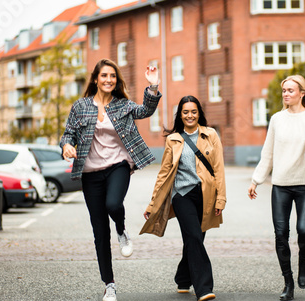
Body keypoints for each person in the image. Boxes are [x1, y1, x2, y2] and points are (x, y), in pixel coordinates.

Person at [60, 58, 161, 301]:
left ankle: (121, 229)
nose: (108, 80)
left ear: (116, 81)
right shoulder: (80, 106)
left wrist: (153, 87)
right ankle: (109, 284)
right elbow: (68, 133)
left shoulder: (122, 105)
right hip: (90, 173)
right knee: (99, 232)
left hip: (118, 165)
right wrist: (66, 146)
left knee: (113, 205)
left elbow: (145, 110)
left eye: (112, 76)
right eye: (104, 75)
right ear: (96, 79)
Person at [248, 75, 305, 301]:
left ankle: (303, 258)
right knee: (281, 234)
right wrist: (256, 180)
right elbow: (268, 153)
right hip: (281, 185)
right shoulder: (276, 120)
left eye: (290, 90)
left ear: (302, 93)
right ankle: (288, 282)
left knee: (303, 229)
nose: (285, 94)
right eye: (284, 90)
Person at [141, 95, 226, 301]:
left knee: (193, 240)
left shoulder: (211, 135)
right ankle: (204, 288)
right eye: (185, 112)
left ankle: (182, 277)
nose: (190, 115)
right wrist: (153, 203)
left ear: (199, 113)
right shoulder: (173, 139)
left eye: (194, 111)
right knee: (195, 237)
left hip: (206, 195)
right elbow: (164, 173)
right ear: (180, 114)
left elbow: (218, 169)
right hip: (182, 196)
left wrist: (220, 199)